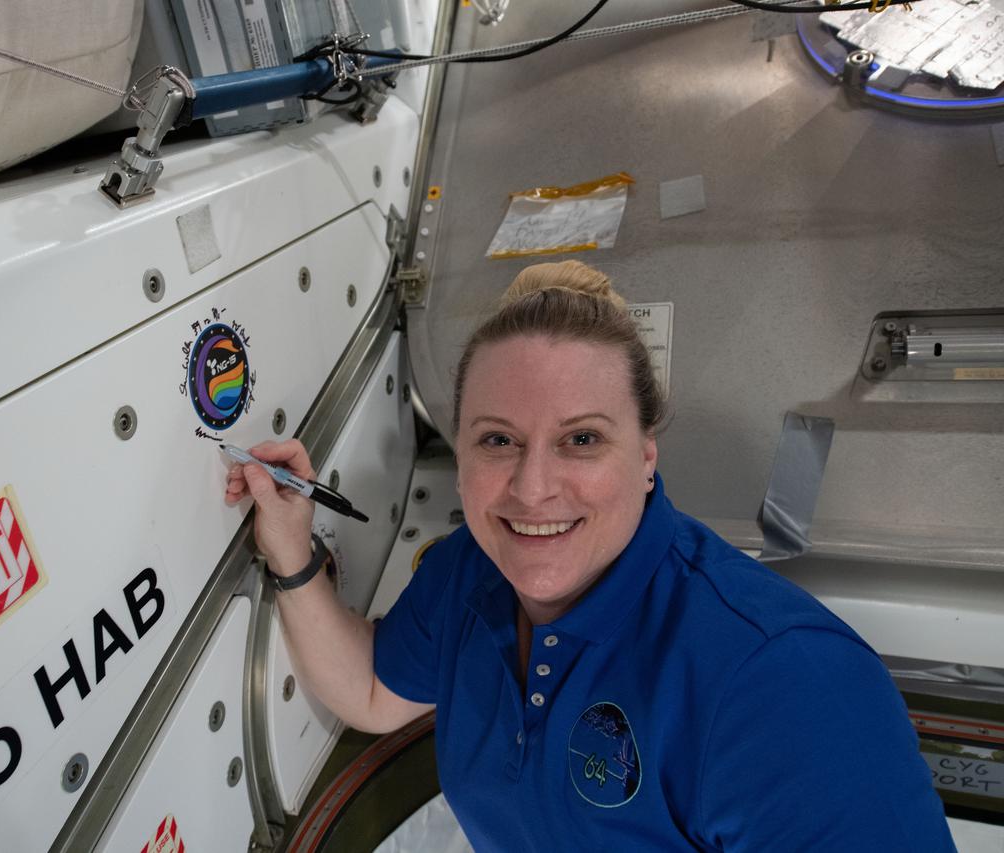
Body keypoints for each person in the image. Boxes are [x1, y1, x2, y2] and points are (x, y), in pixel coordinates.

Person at [224, 261, 954, 850]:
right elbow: (372, 692)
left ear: (646, 457)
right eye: (498, 439)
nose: (532, 488)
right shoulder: (469, 572)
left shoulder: (787, 681)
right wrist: (290, 549)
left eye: (581, 439)